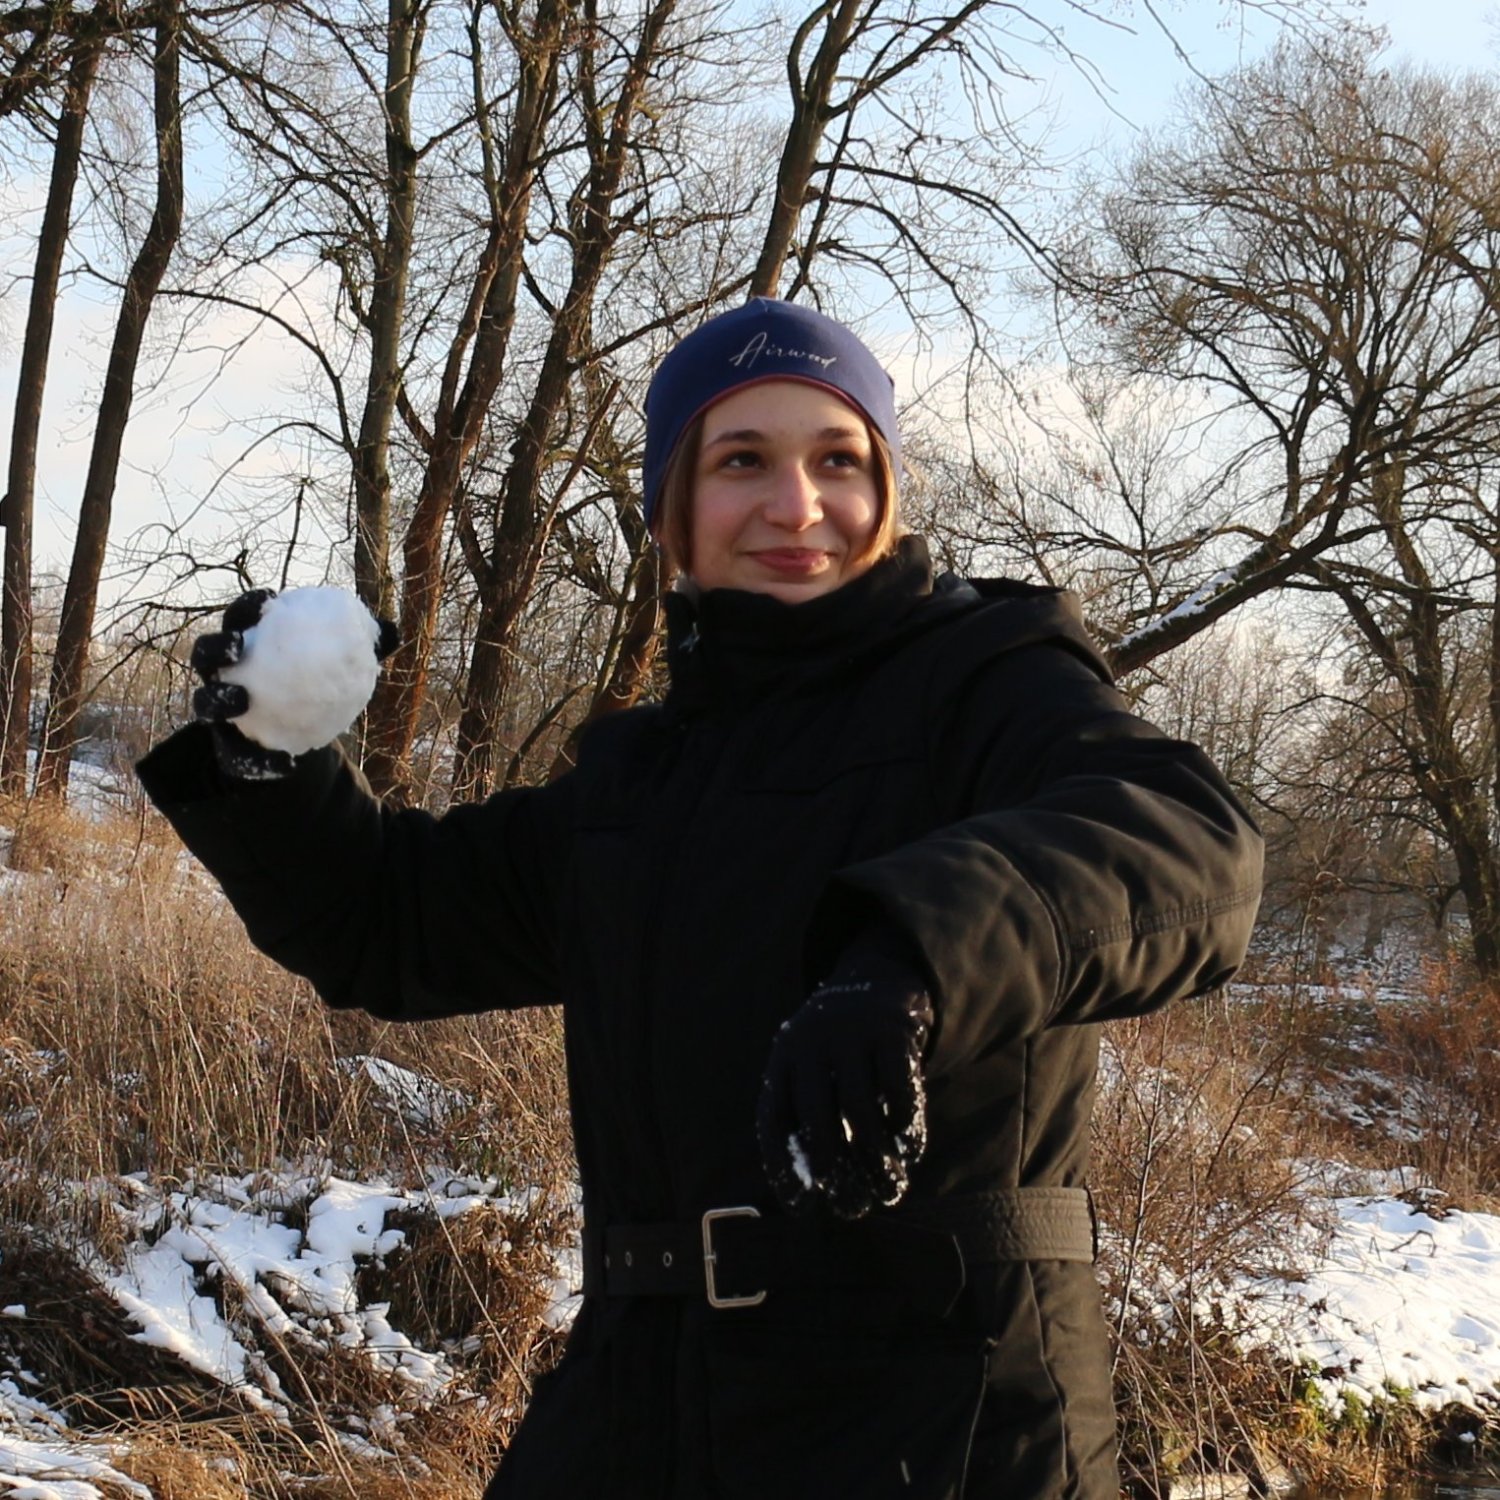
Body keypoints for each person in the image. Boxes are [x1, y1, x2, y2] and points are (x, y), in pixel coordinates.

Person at [137, 297, 1264, 1500]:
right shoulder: (645, 777)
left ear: (887, 487)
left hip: (941, 1416)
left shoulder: (990, 684)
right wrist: (269, 762)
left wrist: (908, 957)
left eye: (839, 458)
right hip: (645, 1399)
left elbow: (1188, 842)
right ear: (670, 514)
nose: (797, 505)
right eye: (741, 462)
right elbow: (392, 923)